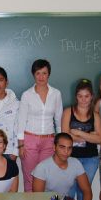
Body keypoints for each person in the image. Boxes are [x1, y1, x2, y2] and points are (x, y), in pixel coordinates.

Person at [32, 133, 94, 200]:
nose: (66, 152)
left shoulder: (75, 163)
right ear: (54, 147)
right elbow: (38, 198)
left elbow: (87, 191)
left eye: (69, 148)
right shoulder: (42, 167)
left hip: (65, 199)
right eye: (62, 147)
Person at [18, 59, 63, 192]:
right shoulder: (27, 95)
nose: (41, 77)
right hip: (30, 140)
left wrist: (59, 143)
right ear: (33, 74)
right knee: (29, 177)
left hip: (49, 141)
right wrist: (21, 145)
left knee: (46, 177)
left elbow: (59, 121)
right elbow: (21, 121)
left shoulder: (56, 94)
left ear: (49, 74)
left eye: (44, 73)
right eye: (38, 73)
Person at [61, 79, 101, 200]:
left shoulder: (95, 115)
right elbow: (64, 136)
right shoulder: (68, 111)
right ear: (76, 97)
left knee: (83, 190)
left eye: (86, 96)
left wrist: (78, 133)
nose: (83, 99)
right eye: (80, 96)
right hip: (71, 158)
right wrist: (90, 136)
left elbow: (99, 139)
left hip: (90, 159)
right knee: (70, 189)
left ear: (92, 97)